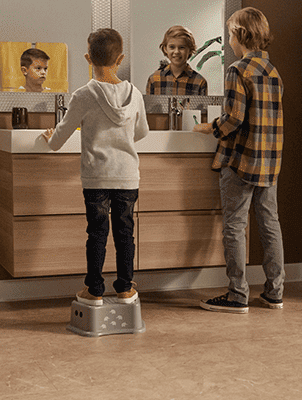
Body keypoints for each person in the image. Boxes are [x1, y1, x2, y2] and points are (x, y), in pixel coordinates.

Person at [42, 28, 149, 306]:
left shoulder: (84, 95)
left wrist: (49, 138)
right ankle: (125, 289)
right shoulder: (135, 94)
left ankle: (95, 290)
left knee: (97, 234)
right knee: (125, 232)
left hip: (97, 178)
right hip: (127, 176)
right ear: (121, 58)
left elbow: (59, 139)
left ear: (88, 58)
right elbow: (142, 132)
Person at [193, 7, 284, 314]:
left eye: (231, 33)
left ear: (241, 35)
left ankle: (237, 294)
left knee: (234, 226)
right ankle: (275, 292)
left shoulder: (237, 70)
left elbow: (233, 119)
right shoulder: (273, 72)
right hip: (269, 161)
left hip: (242, 160)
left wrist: (210, 127)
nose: (230, 39)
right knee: (270, 225)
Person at [146, 25, 208, 96]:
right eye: (172, 47)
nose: (176, 52)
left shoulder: (200, 82)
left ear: (190, 50)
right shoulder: (154, 79)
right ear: (165, 49)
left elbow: (201, 107)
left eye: (182, 47)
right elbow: (149, 107)